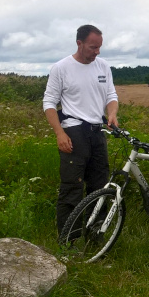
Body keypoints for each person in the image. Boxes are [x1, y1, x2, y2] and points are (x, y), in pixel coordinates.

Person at [42, 25, 120, 233]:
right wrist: (60, 133)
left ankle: (95, 235)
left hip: (98, 133)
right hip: (73, 133)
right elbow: (49, 102)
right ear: (79, 43)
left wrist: (112, 113)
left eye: (99, 47)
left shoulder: (103, 66)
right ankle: (69, 242)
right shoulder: (61, 68)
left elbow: (111, 96)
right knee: (72, 188)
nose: (97, 52)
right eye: (93, 47)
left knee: (100, 187)